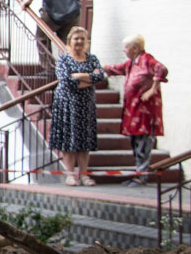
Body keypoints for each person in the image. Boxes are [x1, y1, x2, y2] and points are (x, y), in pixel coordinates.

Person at [102, 34, 168, 186]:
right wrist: (100, 67)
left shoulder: (147, 60)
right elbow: (117, 69)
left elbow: (162, 69)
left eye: (126, 47)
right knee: (135, 142)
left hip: (146, 113)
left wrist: (153, 90)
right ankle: (139, 174)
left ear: (135, 48)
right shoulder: (132, 63)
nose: (124, 50)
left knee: (144, 144)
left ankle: (141, 177)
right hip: (133, 111)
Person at [48, 27, 106, 186]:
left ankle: (85, 175)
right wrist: (89, 79)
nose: (79, 41)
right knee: (69, 140)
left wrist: (79, 76)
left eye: (82, 38)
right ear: (69, 41)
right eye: (76, 39)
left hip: (86, 104)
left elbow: (100, 76)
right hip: (67, 104)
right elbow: (66, 80)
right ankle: (70, 175)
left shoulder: (92, 58)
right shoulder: (64, 59)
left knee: (84, 141)